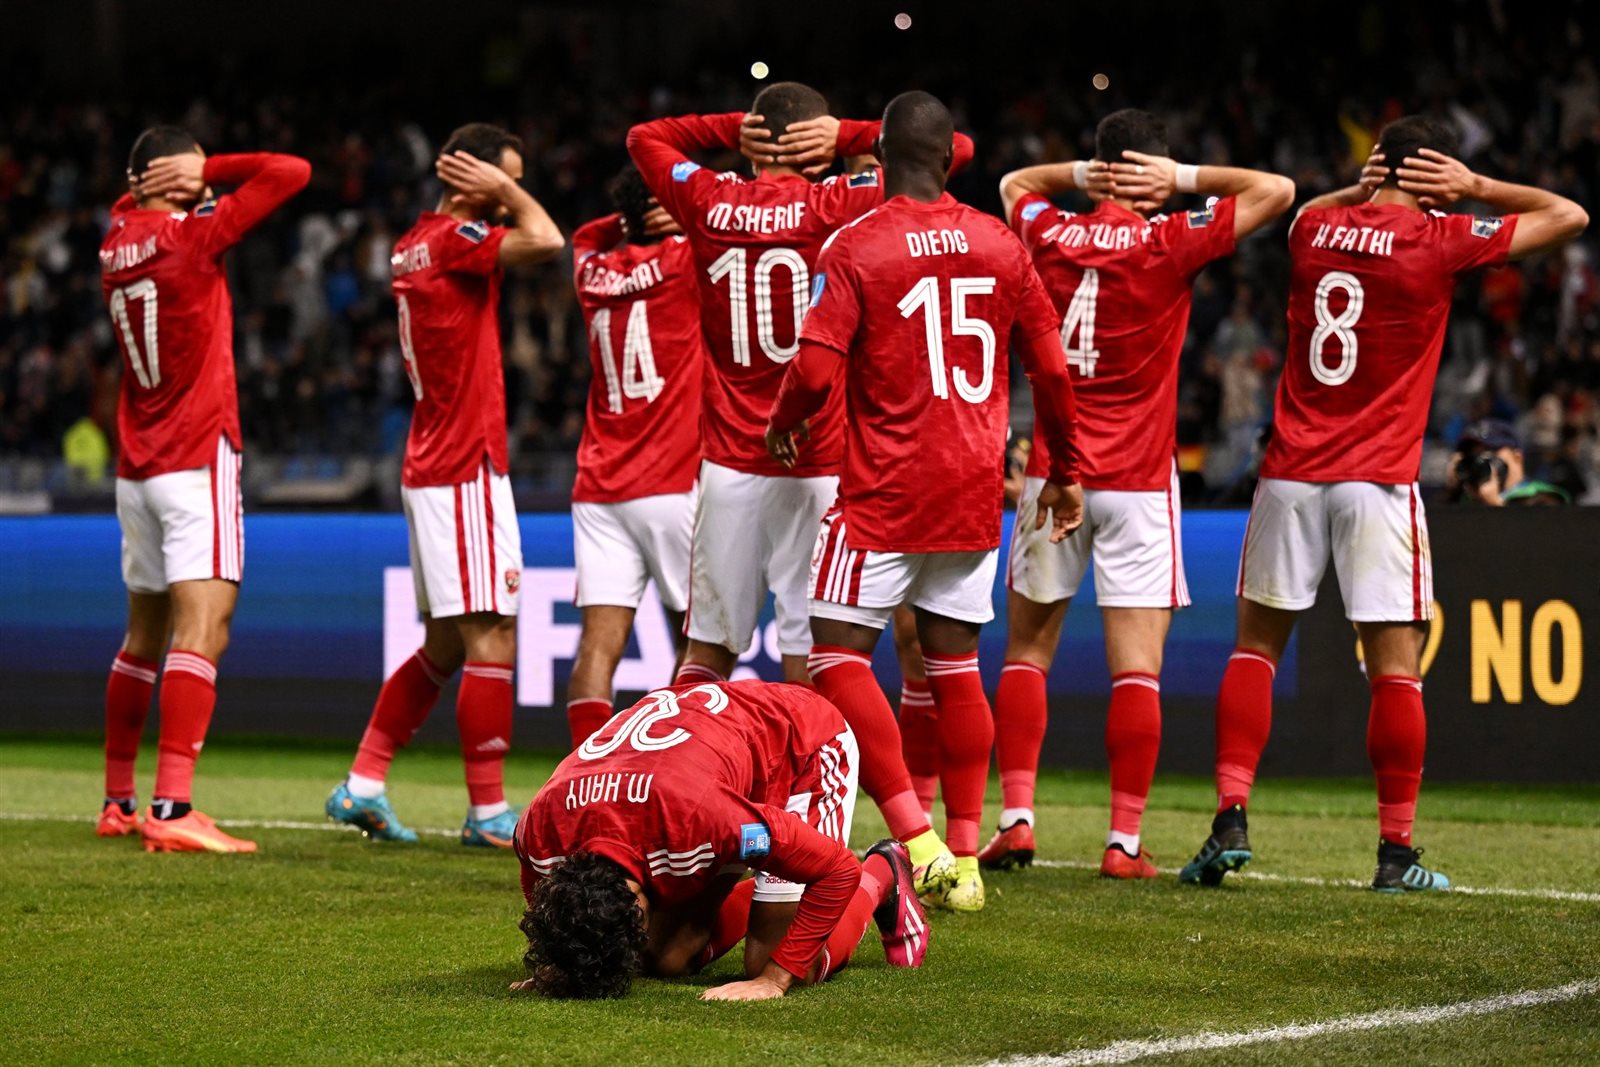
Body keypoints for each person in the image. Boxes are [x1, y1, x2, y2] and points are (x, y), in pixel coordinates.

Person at [1178, 115, 1587, 891]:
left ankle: (1230, 815)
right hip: (1377, 480)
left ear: (1377, 167)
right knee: (1395, 668)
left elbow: (1305, 210)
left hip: (1291, 473)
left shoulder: (1315, 229)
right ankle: (1395, 853)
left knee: (1254, 650)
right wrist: (1476, 187)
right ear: (1437, 174)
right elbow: (1569, 215)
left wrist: (1359, 188)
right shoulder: (1439, 238)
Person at [767, 90, 1084, 911]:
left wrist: (783, 421)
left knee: (836, 656)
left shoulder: (855, 243)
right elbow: (1052, 370)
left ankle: (918, 836)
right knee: (955, 669)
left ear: (877, 158)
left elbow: (812, 370)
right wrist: (1064, 468)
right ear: (949, 158)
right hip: (971, 490)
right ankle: (967, 857)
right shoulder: (1001, 242)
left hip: (884, 490)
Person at [983, 110, 1295, 878]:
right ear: (1151, 172)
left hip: (1054, 473)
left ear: (1099, 170)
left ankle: (1016, 820)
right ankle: (1122, 842)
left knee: (1027, 653)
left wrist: (1079, 176)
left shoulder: (1049, 230)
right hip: (1138, 483)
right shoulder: (1168, 238)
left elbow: (1013, 182)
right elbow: (1277, 190)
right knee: (1136, 671)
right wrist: (1180, 181)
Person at [625, 84, 975, 692]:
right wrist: (847, 134)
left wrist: (735, 126)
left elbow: (643, 137)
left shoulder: (707, 199)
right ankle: (809, 760)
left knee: (708, 646)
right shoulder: (842, 200)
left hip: (732, 460)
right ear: (816, 147)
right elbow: (956, 149)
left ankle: (690, 754)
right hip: (820, 458)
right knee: (810, 648)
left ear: (754, 145)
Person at [326, 124, 564, 845]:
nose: (509, 197)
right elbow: (548, 239)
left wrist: (496, 190)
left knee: (445, 645)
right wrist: (508, 194)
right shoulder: (458, 239)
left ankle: (363, 784)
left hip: (437, 461)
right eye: (503, 180)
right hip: (462, 467)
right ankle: (487, 812)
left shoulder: (415, 241)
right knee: (493, 634)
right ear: (470, 180)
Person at [97, 126, 309, 852]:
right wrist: (208, 166)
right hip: (195, 457)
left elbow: (132, 199)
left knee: (142, 634)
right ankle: (172, 806)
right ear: (173, 175)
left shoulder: (115, 238)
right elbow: (290, 170)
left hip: (137, 468)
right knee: (203, 629)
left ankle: (118, 800)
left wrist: (163, 180)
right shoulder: (192, 236)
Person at [514, 680, 929, 1001]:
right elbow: (549, 904)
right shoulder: (538, 833)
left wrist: (774, 979)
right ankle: (772, 895)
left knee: (772, 960)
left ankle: (882, 873)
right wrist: (563, 961)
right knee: (666, 959)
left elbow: (835, 868)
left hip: (800, 746)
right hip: (700, 766)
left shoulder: (705, 822)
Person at [565, 165, 706, 748]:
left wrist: (632, 215)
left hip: (599, 486)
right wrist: (682, 210)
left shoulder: (591, 269)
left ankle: (584, 779)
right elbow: (728, 220)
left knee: (598, 646)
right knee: (700, 645)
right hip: (671, 480)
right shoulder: (686, 260)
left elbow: (585, 235)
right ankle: (665, 771)